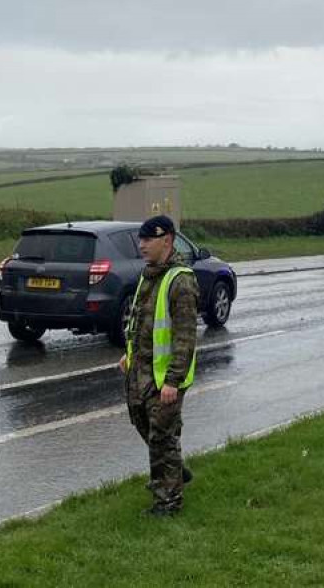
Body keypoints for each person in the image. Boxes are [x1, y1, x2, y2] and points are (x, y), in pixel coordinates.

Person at [119, 215, 199, 517]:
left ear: (167, 240)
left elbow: (184, 336)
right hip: (141, 370)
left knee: (161, 436)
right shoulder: (148, 274)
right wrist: (129, 353)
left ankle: (167, 502)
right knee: (141, 421)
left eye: (147, 240)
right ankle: (175, 470)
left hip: (165, 377)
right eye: (141, 240)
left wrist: (173, 381)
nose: (142, 245)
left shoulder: (181, 280)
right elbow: (140, 322)